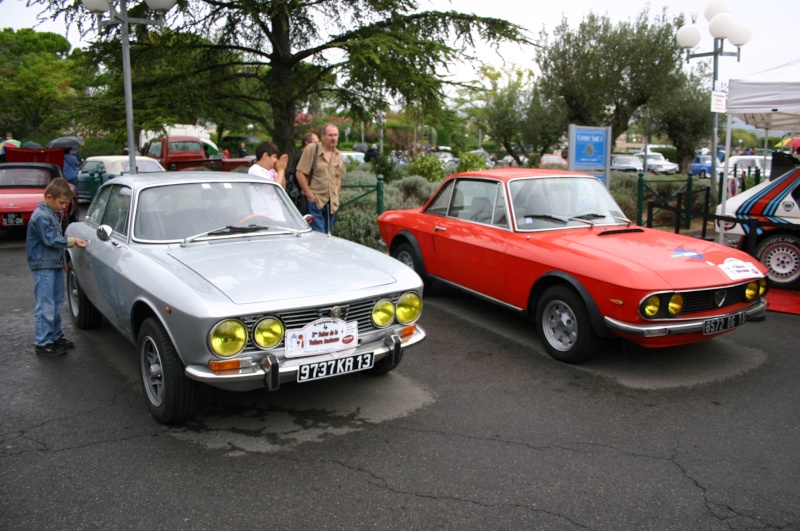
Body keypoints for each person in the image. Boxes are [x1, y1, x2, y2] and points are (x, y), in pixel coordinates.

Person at [26, 178, 88, 356]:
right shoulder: (41, 216)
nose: (63, 207)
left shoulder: (53, 213)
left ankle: (54, 336)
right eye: (61, 203)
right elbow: (51, 240)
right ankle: (43, 342)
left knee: (55, 302)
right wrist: (73, 241)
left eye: (66, 203)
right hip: (43, 266)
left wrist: (62, 263)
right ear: (49, 197)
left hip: (52, 264)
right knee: (46, 304)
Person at [296, 123, 346, 233]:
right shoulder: (312, 149)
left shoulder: (338, 154)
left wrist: (336, 193)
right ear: (322, 136)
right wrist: (309, 195)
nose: (333, 138)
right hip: (316, 201)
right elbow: (300, 173)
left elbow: (338, 177)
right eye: (330, 135)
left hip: (332, 203)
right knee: (319, 236)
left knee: (328, 235)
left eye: (335, 135)